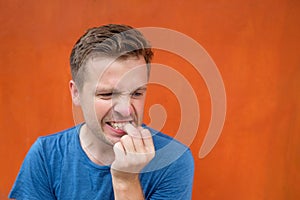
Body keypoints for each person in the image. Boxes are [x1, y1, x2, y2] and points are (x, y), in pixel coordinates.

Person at [9, 24, 194, 199]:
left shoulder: (174, 160)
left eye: (136, 93)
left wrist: (126, 181)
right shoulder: (46, 156)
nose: (125, 110)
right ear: (76, 94)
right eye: (106, 94)